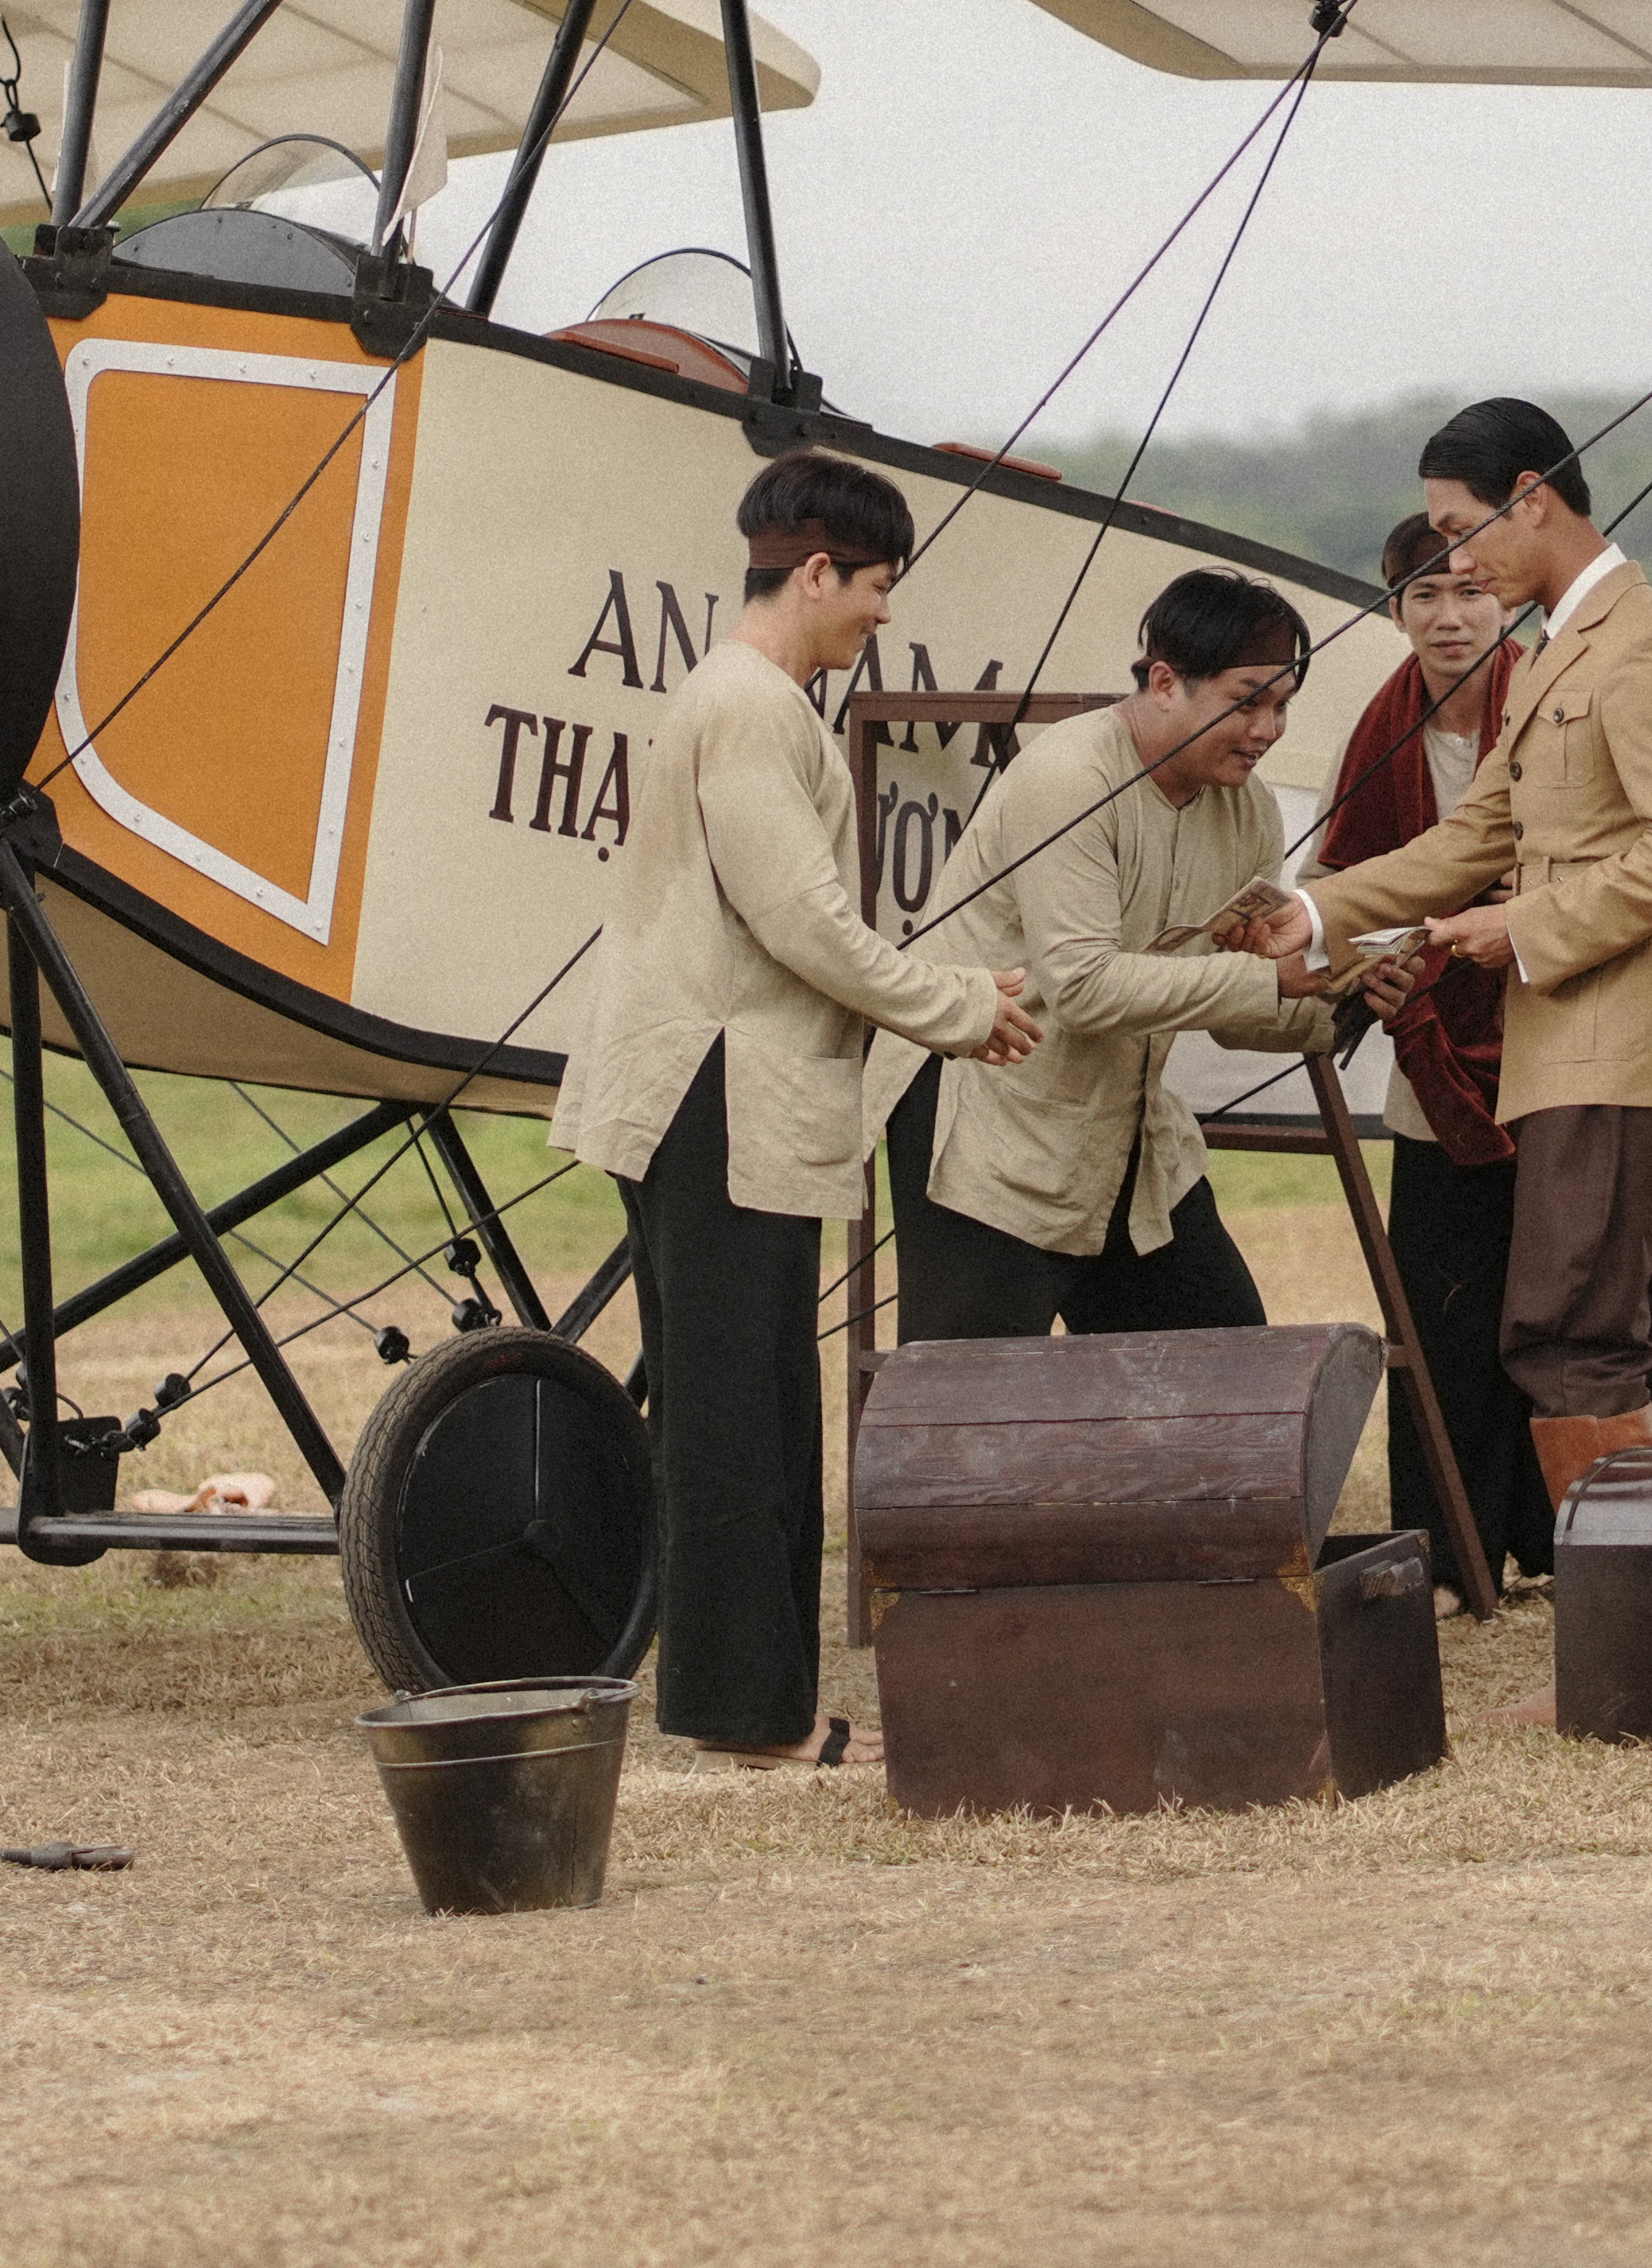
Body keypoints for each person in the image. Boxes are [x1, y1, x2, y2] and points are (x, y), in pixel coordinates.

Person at [552, 450, 1041, 1762]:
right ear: (816, 570)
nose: (884, 613)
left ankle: (757, 1698)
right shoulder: (752, 707)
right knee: (730, 1411)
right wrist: (958, 1006)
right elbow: (804, 923)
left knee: (758, 1396)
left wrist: (943, 996)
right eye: (876, 585)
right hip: (716, 1089)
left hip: (726, 1090)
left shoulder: (756, 703)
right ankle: (742, 1711)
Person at [1255, 397, 1652, 1514]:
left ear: (1533, 498)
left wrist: (1520, 927)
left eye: (1464, 527)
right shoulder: (1570, 648)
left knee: (1571, 1334)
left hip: (1614, 1053)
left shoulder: (1645, 645)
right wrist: (1316, 915)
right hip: (1576, 1050)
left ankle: (1631, 1635)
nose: (1454, 558)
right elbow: (1480, 832)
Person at [883, 569, 1345, 1341]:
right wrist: (1262, 978)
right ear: (1165, 682)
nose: (1267, 728)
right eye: (1246, 700)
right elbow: (1083, 987)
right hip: (990, 1135)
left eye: (1282, 705)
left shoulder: (1250, 808)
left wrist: (1349, 997)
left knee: (1225, 1370)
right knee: (965, 1424)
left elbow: (1237, 1014)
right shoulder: (1072, 775)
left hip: (1129, 1141)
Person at [1318, 514, 1559, 1591]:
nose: (1450, 616)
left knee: (1557, 1309)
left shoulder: (1556, 702)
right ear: (1393, 609)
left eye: (1470, 591)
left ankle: (1560, 1540)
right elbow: (1348, 886)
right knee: (1442, 1310)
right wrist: (1368, 971)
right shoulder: (1378, 736)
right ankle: (1452, 1548)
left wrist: (1535, 903)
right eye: (1424, 596)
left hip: (1561, 1042)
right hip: (1431, 1062)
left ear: (1505, 599)